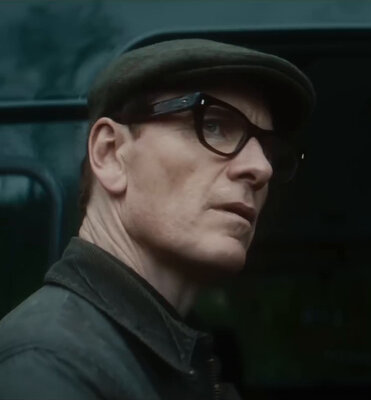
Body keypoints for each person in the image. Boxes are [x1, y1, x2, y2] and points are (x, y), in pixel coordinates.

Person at [0, 38, 315, 400]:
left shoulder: (176, 357)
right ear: (110, 154)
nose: (261, 167)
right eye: (214, 125)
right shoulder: (46, 366)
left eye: (268, 150)